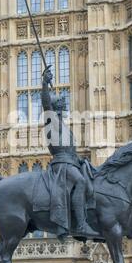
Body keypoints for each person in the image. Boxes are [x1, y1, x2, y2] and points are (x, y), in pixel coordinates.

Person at [41, 66, 95, 238]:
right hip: (61, 164)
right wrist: (44, 83)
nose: (65, 106)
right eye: (62, 104)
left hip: (71, 162)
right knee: (80, 182)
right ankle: (80, 225)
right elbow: (46, 103)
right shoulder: (52, 121)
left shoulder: (65, 127)